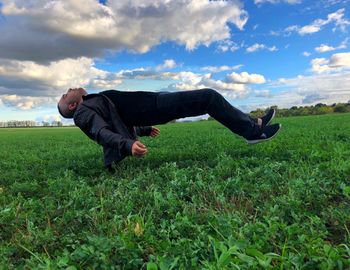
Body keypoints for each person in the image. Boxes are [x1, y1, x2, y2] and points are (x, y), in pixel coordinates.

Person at [57, 88, 281, 169]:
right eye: (65, 95)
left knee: (206, 99)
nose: (68, 89)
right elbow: (101, 132)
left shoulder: (90, 104)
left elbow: (118, 117)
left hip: (152, 102)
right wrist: (127, 145)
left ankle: (254, 123)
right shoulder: (83, 113)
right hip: (153, 106)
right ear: (73, 105)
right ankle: (252, 132)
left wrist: (143, 130)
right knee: (208, 96)